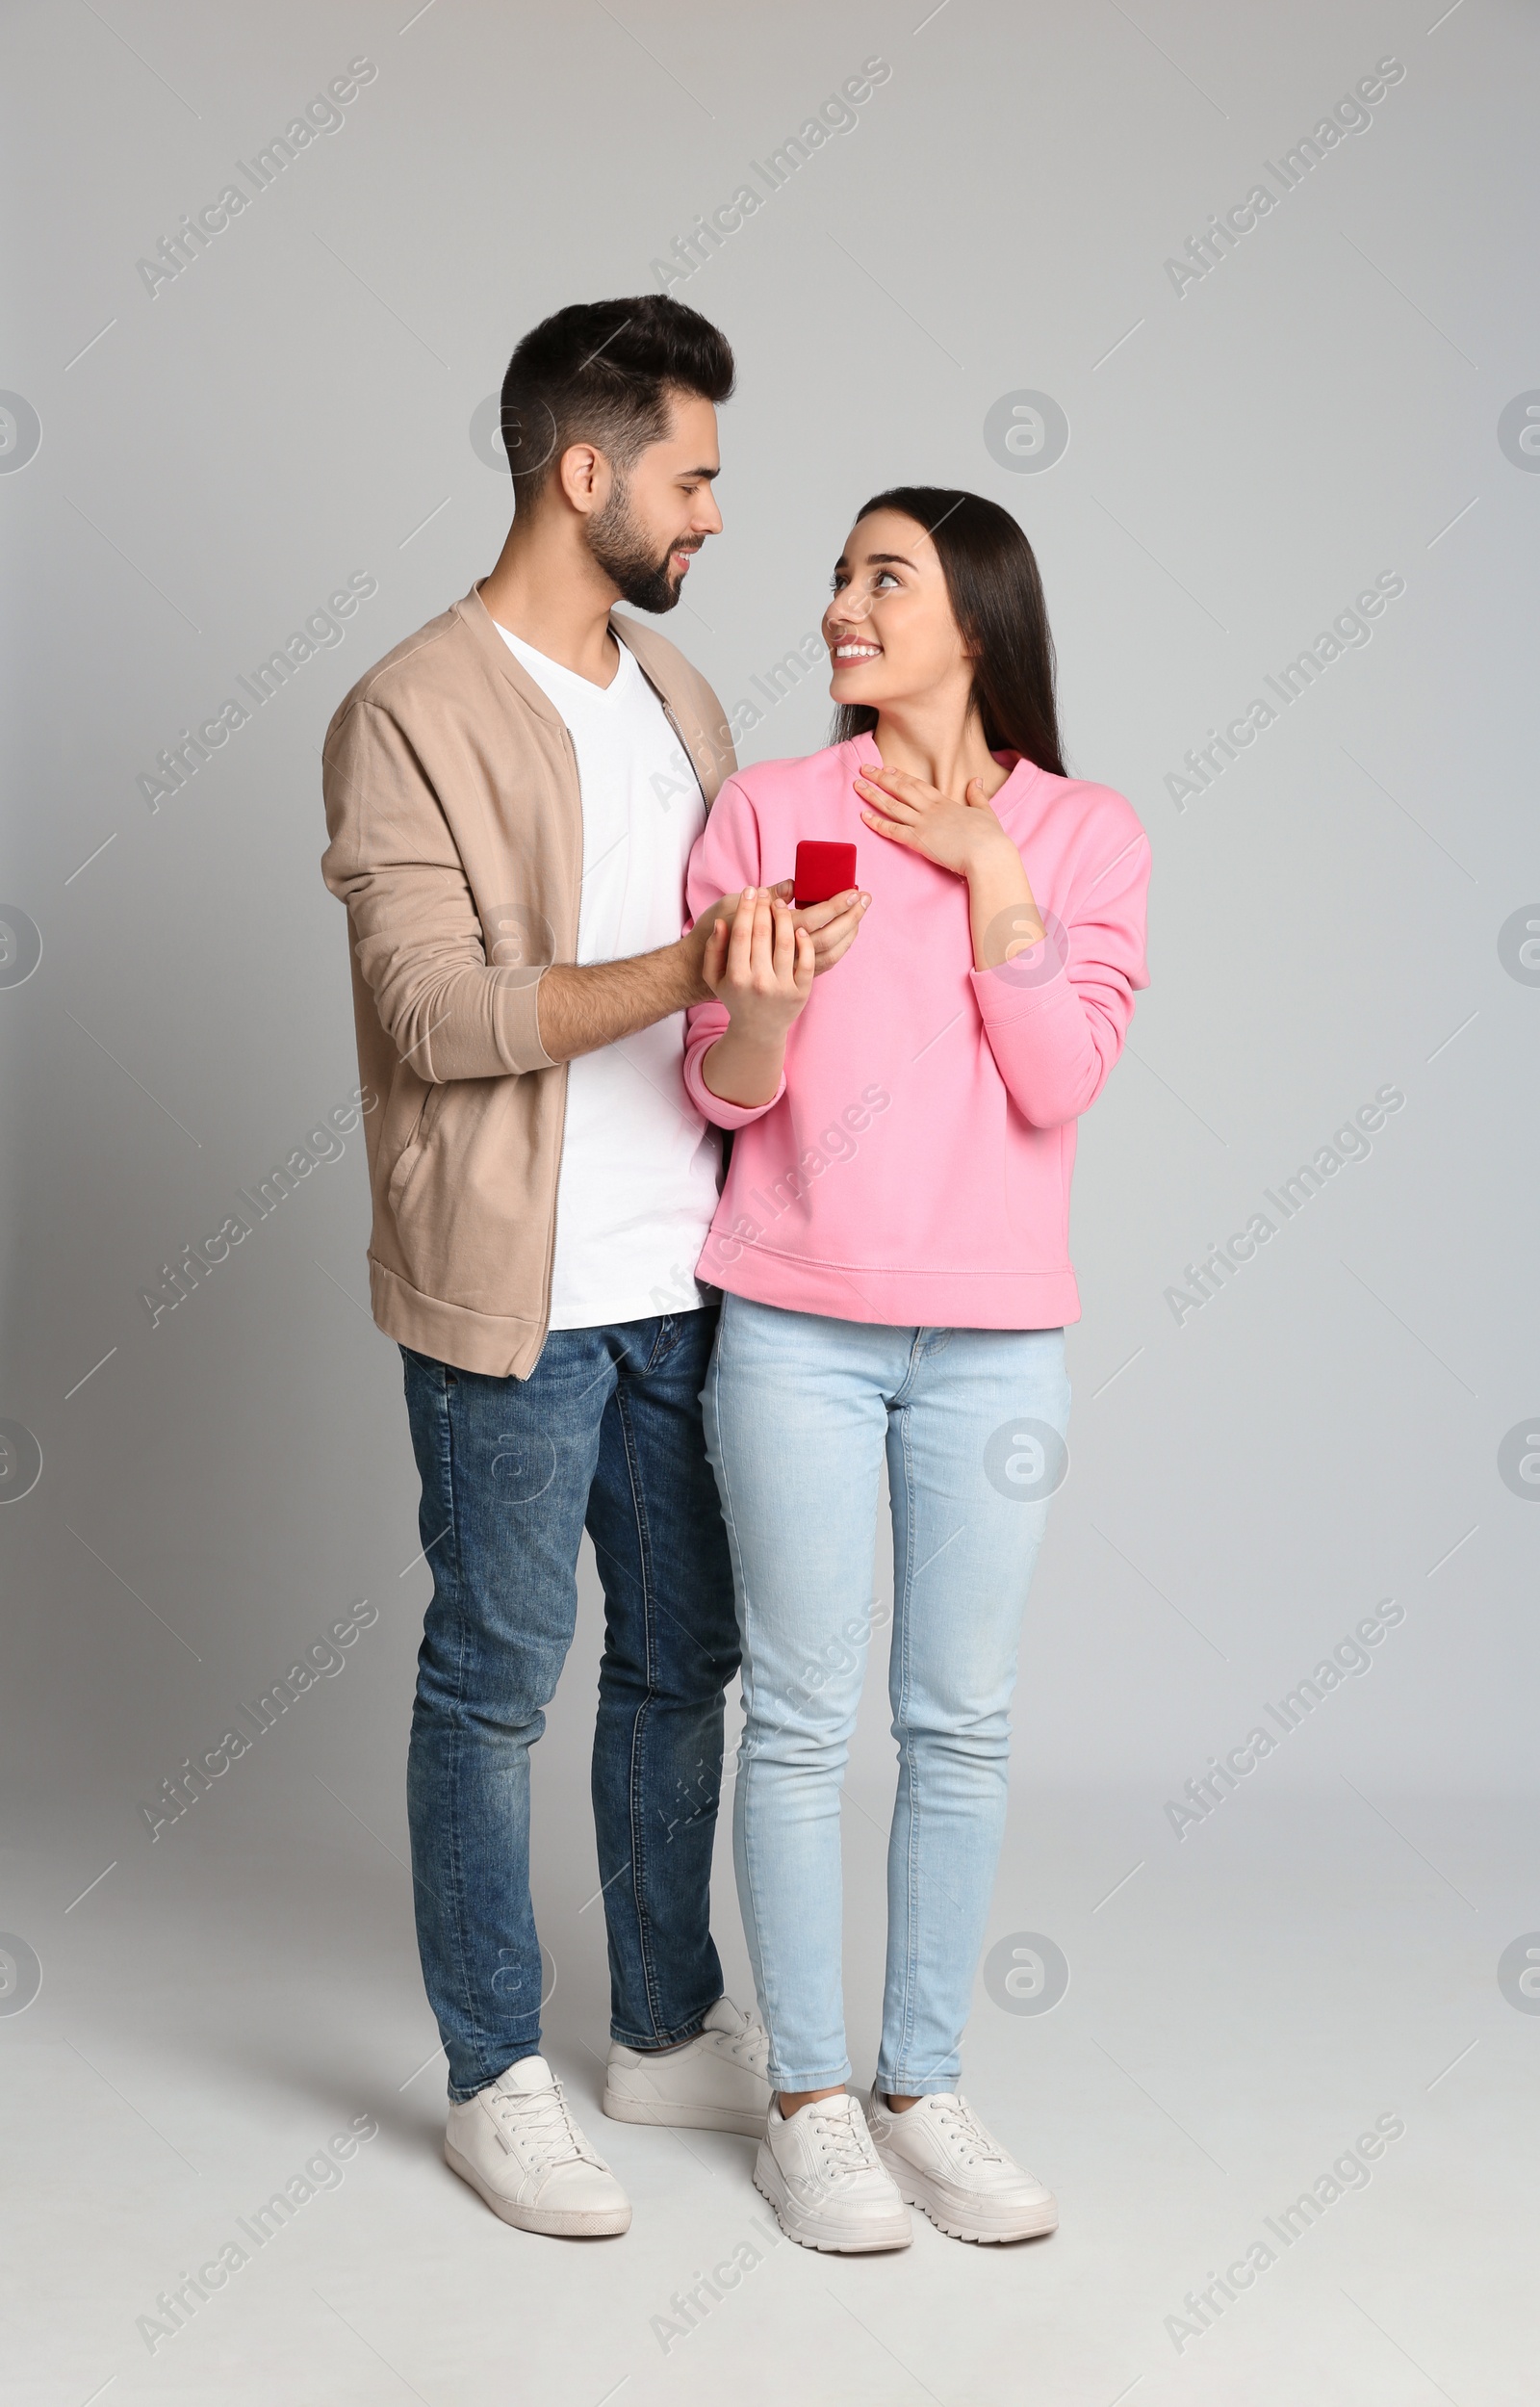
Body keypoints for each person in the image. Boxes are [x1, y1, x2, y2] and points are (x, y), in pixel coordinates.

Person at [319, 296, 866, 2239]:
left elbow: (727, 1034)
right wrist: (692, 964)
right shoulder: (407, 711)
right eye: (691, 473)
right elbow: (431, 1007)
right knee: (491, 1679)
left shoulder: (683, 699)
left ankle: (657, 2017)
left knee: (682, 1660)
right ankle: (491, 2071)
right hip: (510, 1294)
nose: (714, 513)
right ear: (584, 469)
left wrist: (782, 993)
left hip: (694, 1280)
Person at [682, 487, 1151, 2251]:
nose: (838, 607)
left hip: (996, 1340)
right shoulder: (769, 812)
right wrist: (773, 1011)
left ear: (977, 619)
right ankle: (808, 2098)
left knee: (958, 1722)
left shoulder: (1085, 837)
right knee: (800, 1717)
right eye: (838, 577)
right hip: (794, 1323)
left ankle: (919, 2083)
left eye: (884, 579)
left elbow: (1055, 1082)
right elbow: (722, 1097)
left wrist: (991, 870)